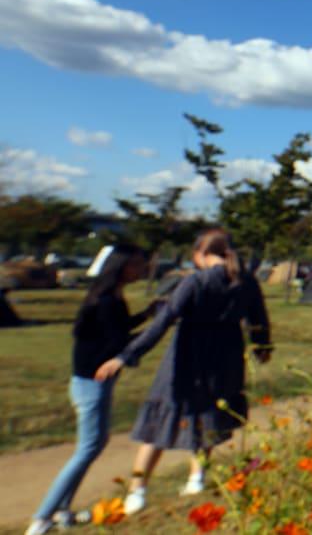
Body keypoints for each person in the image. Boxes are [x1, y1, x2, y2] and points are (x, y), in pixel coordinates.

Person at [94, 229, 271, 515]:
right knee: (208, 416)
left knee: (162, 419)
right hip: (225, 358)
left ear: (201, 254)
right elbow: (259, 319)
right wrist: (262, 346)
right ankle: (196, 478)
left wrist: (125, 356)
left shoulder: (195, 281)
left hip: (187, 357)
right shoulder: (246, 282)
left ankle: (137, 491)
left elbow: (163, 322)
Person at [27, 243, 153, 535]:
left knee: (95, 445)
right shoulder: (107, 300)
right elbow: (118, 342)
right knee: (86, 449)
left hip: (92, 382)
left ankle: (61, 512)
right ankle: (41, 518)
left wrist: (147, 314)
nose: (141, 269)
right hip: (90, 384)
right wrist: (157, 325)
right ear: (120, 267)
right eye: (136, 264)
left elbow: (118, 330)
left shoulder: (109, 297)